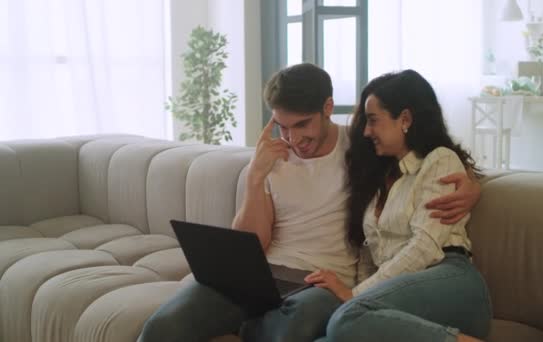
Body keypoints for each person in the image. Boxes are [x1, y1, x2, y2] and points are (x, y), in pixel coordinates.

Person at [140, 64, 482, 342]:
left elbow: (424, 154)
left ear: (328, 108)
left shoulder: (362, 149)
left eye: (302, 124)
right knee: (162, 328)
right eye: (283, 127)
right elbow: (251, 243)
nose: (293, 139)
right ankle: (251, 320)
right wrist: (255, 178)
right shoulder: (270, 159)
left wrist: (471, 184)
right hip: (261, 275)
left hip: (318, 283)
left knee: (295, 331)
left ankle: (248, 325)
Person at [304, 70, 492, 342]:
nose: (367, 131)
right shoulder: (380, 174)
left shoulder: (439, 160)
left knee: (346, 319)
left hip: (449, 279)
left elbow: (425, 247)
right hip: (399, 293)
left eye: (373, 121)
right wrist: (359, 293)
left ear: (405, 119)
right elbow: (371, 255)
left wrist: (355, 297)